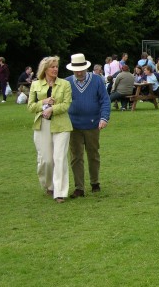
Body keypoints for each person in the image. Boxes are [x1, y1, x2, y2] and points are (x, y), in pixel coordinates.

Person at [28, 56, 73, 203]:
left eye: (56, 66)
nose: (55, 69)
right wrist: (44, 103)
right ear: (45, 69)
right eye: (52, 67)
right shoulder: (35, 85)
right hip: (42, 125)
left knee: (59, 158)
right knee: (46, 160)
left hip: (62, 125)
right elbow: (30, 107)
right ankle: (49, 185)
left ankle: (60, 192)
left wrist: (52, 108)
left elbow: (66, 104)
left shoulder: (65, 84)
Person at [66, 53, 110, 198]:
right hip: (73, 126)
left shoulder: (97, 80)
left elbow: (105, 100)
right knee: (75, 156)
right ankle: (79, 187)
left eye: (81, 69)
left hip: (93, 124)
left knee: (93, 154)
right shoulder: (67, 83)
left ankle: (95, 182)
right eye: (76, 70)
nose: (79, 72)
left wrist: (104, 117)